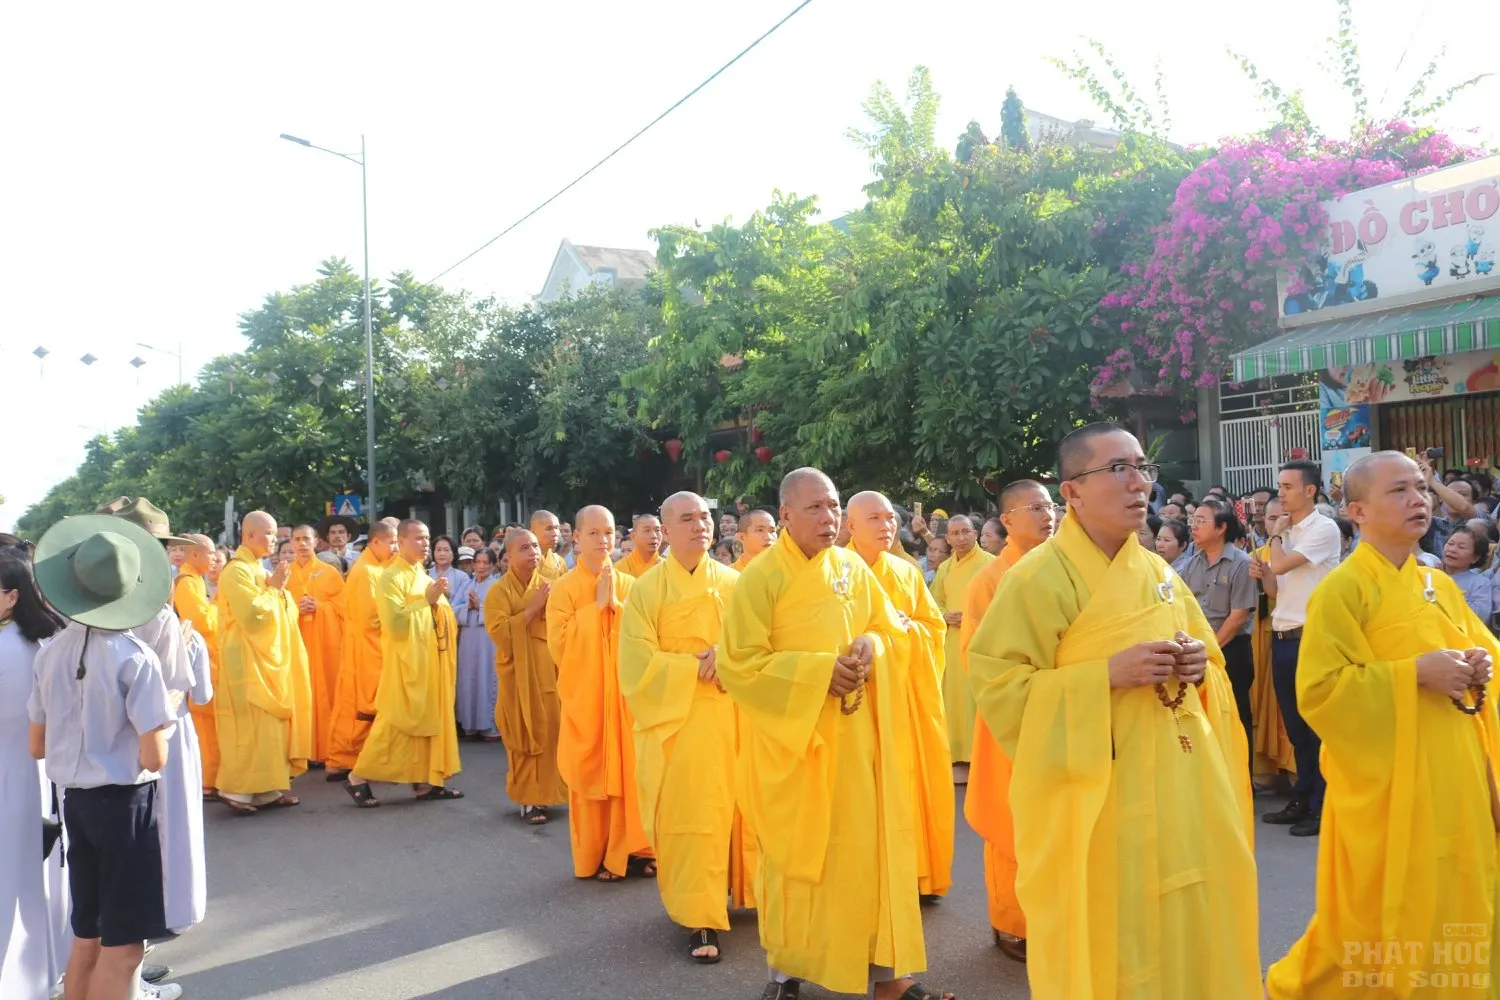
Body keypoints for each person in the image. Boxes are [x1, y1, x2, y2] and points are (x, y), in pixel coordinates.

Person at [968, 423, 1260, 998]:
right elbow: (1000, 690)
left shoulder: (1157, 574)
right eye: (1118, 469)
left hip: (1177, 788)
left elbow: (1214, 671)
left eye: (1143, 469)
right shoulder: (1034, 579)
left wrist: (1199, 665)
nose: (1138, 484)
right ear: (1071, 490)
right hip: (1095, 800)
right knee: (1109, 935)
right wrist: (1103, 676)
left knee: (1184, 922)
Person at [1265, 451, 1500, 996]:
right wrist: (1412, 674)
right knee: (1380, 909)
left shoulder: (1436, 584)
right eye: (1398, 491)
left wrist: (1482, 664)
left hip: (1454, 771)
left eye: (1420, 488)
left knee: (1459, 891)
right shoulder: (1342, 591)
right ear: (1357, 511)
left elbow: (1479, 651)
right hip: (1388, 782)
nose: (1418, 499)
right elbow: (1321, 693)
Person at [719, 468, 955, 1000]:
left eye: (833, 507)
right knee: (801, 862)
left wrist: (874, 645)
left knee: (869, 858)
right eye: (815, 509)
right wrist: (814, 673)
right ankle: (786, 972)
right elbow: (739, 664)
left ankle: (886, 973)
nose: (828, 519)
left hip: (859, 742)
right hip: (796, 746)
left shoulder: (851, 566)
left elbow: (889, 628)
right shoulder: (760, 578)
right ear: (785, 515)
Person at [27, 514, 181, 1000]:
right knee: (125, 946)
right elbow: (154, 756)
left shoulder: (50, 652)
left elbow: (36, 744)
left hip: (76, 803)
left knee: (87, 934)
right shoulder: (136, 657)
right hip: (124, 804)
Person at [618, 491, 750, 964]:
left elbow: (759, 644)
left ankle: (739, 894)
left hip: (734, 714)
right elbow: (635, 664)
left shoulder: (736, 583)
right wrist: (691, 667)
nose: (701, 526)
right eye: (688, 519)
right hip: (679, 722)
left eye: (707, 517)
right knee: (692, 819)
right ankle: (700, 916)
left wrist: (728, 656)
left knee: (742, 810)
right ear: (666, 530)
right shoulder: (647, 591)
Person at [957, 479, 1058, 962]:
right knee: (1011, 822)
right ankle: (1011, 922)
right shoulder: (989, 580)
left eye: (1051, 505)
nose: (1047, 514)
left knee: (1059, 820)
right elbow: (974, 659)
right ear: (1008, 521)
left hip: (1064, 711)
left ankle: (1059, 915)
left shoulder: (1067, 568)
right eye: (1034, 508)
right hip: (1010, 717)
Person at [844, 491, 954, 906]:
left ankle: (914, 870)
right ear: (850, 526)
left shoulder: (906, 572)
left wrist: (909, 632)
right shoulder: (837, 572)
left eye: (890, 518)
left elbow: (933, 627)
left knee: (909, 780)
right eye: (874, 518)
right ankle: (866, 872)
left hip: (905, 693)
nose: (887, 525)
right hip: (861, 694)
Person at [546, 505, 652, 881]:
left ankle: (635, 849)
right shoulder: (563, 589)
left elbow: (645, 641)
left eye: (608, 532)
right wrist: (596, 611)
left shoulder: (631, 585)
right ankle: (597, 854)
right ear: (576, 537)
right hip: (588, 701)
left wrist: (617, 606)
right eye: (593, 533)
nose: (603, 540)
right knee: (592, 777)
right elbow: (558, 646)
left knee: (631, 774)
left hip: (624, 701)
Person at [345, 520, 463, 806]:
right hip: (405, 663)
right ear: (402, 541)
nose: (426, 544)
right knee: (395, 722)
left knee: (427, 722)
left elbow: (435, 613)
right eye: (419, 539)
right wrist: (427, 601)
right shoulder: (390, 577)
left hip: (428, 661)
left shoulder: (419, 573)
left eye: (427, 538)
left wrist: (436, 604)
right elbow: (395, 624)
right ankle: (357, 778)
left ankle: (425, 781)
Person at [1253, 459, 1342, 838]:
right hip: (1284, 632)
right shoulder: (1287, 532)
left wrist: (1274, 536)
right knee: (1295, 727)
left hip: (1312, 635)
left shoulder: (1323, 528)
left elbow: (1285, 565)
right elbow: (1275, 591)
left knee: (1316, 726)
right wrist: (1268, 570)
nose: (1281, 494)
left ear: (1310, 490)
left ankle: (1323, 807)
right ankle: (1302, 799)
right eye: (1279, 486)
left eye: (1288, 487)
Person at [0, 554, 70, 1000]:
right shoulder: (43, 643)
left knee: (17, 873)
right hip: (37, 771)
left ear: (10, 597)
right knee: (32, 874)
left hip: (17, 770)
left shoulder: (16, 649)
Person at [216, 511, 313, 814]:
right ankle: (236, 790)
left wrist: (277, 589)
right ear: (250, 535)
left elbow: (285, 611)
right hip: (245, 660)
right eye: (270, 533)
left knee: (270, 727)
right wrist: (275, 588)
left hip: (268, 659)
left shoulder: (259, 568)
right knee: (248, 728)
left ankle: (268, 788)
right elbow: (252, 616)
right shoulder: (236, 571)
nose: (275, 539)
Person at [484, 530, 567, 824]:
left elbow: (562, 625)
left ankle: (553, 793)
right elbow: (500, 634)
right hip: (517, 674)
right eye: (524, 548)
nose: (532, 552)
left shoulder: (551, 586)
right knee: (523, 731)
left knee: (553, 731)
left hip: (548, 669)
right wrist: (531, 610)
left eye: (534, 546)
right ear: (508, 557)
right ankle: (530, 799)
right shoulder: (498, 591)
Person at [1181, 501, 1258, 777]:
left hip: (1231, 651)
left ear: (1222, 527)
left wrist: (1209, 650)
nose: (1194, 525)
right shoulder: (1192, 564)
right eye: (1194, 519)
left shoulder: (1241, 563)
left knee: (1234, 716)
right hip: (1199, 652)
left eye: (1202, 520)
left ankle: (1240, 780)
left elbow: (1238, 617)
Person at [325, 521, 398, 781]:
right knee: (363, 706)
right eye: (392, 542)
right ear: (375, 542)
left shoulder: (376, 567)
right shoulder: (366, 570)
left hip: (370, 647)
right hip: (368, 648)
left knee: (359, 704)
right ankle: (348, 759)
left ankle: (349, 759)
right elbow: (373, 619)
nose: (395, 548)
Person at [929, 513, 994, 782]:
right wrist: (944, 615)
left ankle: (979, 756)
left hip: (979, 640)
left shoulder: (989, 564)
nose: (961, 538)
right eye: (955, 534)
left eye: (966, 532)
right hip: (951, 640)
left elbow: (999, 602)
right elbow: (935, 600)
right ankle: (956, 754)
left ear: (975, 534)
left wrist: (971, 618)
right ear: (948, 538)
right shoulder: (945, 568)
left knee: (973, 697)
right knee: (953, 697)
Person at [287, 524, 345, 766]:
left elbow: (344, 609)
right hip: (295, 642)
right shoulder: (284, 574)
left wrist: (319, 607)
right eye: (297, 539)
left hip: (324, 646)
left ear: (316, 542)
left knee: (326, 694)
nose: (301, 544)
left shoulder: (329, 573)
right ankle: (302, 750)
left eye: (306, 539)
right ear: (291, 543)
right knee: (298, 695)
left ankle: (327, 750)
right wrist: (292, 609)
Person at [172, 533, 221, 796]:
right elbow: (202, 623)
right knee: (205, 723)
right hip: (202, 661)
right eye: (210, 552)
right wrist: (220, 605)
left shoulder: (196, 581)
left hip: (210, 657)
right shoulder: (187, 583)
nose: (214, 558)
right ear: (195, 555)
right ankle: (207, 780)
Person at [455, 548, 501, 741]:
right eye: (478, 562)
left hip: (487, 639)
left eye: (485, 563)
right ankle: (470, 726)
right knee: (467, 679)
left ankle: (489, 727)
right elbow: (450, 609)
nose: (481, 566)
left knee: (486, 677)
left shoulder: (497, 586)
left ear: (492, 565)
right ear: (473, 565)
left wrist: (480, 607)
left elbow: (500, 612)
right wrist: (468, 606)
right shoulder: (466, 585)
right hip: (468, 638)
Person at [1442, 524, 1494, 622]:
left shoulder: (1480, 583)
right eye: (1450, 543)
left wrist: (1444, 584)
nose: (1452, 550)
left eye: (1461, 547)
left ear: (1475, 557)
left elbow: (1481, 616)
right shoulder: (1429, 574)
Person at [619, 513, 664, 577]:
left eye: (657, 530)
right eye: (647, 531)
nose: (654, 536)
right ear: (633, 536)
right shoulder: (619, 569)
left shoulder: (668, 567)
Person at [530, 510, 570, 582]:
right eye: (549, 528)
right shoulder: (522, 560)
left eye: (557, 528)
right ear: (533, 532)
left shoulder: (560, 562)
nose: (555, 533)